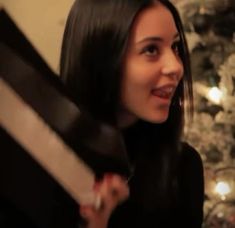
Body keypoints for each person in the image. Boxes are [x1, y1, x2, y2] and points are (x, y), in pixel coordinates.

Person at [60, 0, 204, 227]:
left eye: (175, 47)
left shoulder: (183, 166)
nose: (176, 66)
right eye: (151, 49)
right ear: (102, 59)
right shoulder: (48, 162)